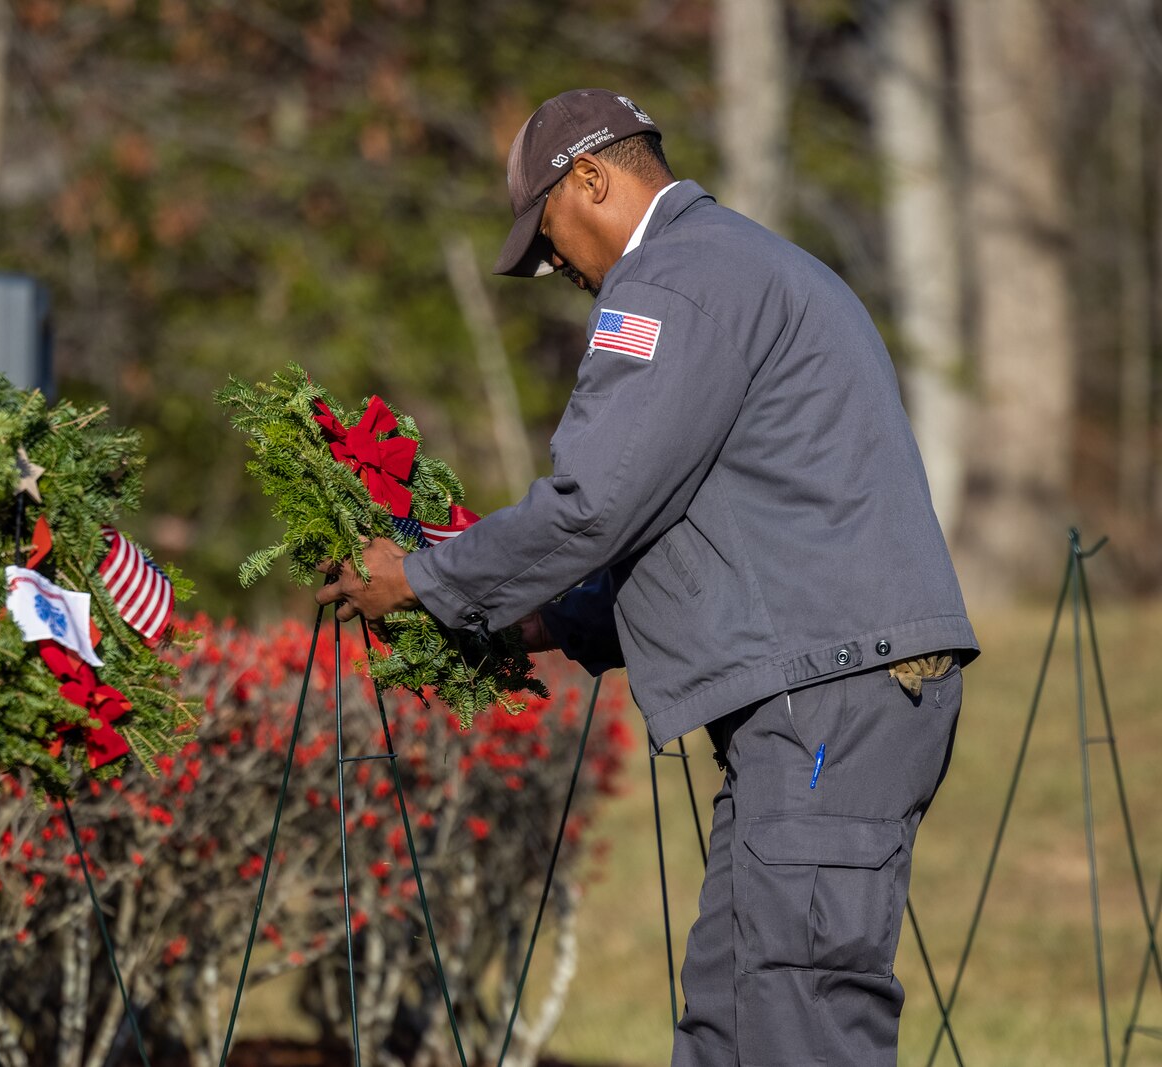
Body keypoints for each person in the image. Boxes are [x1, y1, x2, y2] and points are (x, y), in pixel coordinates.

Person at [317, 89, 978, 1066]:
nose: (555, 271)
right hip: (828, 686)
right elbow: (729, 526)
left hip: (822, 697)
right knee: (733, 1011)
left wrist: (420, 576)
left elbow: (595, 500)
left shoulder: (669, 283)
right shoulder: (750, 265)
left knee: (794, 1014)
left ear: (591, 178)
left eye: (547, 241)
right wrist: (553, 619)